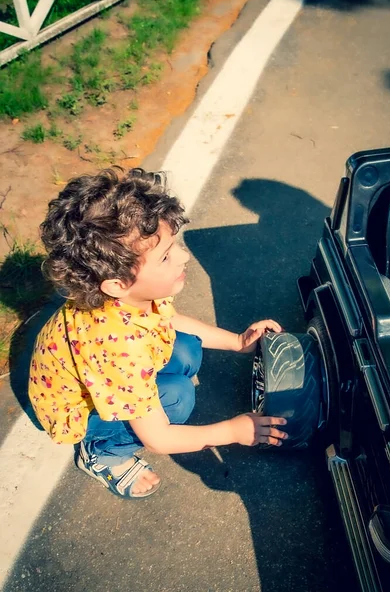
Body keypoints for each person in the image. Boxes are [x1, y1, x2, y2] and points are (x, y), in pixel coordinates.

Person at [28, 168, 288, 500]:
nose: (184, 256)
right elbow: (159, 439)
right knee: (177, 398)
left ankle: (114, 432)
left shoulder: (132, 294)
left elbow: (170, 318)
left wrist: (237, 342)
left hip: (110, 369)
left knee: (186, 350)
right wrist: (233, 431)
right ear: (117, 285)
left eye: (174, 245)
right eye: (166, 256)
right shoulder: (117, 347)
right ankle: (100, 454)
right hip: (84, 408)